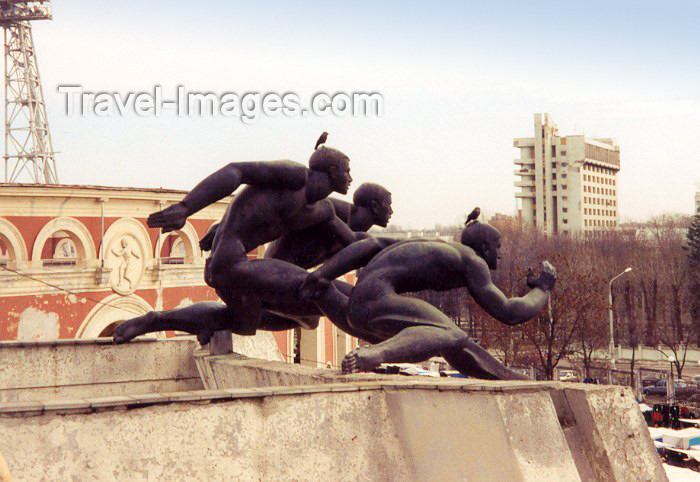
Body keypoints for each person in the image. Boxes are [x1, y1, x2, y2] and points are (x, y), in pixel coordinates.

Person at [114, 135, 364, 343]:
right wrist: (186, 207)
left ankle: (154, 321)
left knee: (287, 320)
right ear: (333, 171)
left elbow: (353, 241)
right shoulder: (296, 176)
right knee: (325, 290)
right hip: (229, 262)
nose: (351, 178)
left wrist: (389, 257)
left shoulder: (324, 211)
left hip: (237, 272)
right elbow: (237, 171)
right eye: (347, 171)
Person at [299, 219, 557, 380]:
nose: (500, 255)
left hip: (358, 304)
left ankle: (509, 378)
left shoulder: (436, 245)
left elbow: (372, 243)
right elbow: (509, 312)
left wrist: (323, 275)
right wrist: (543, 289)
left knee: (452, 339)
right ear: (486, 248)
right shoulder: (473, 261)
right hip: (375, 301)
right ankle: (373, 355)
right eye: (499, 247)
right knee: (450, 334)